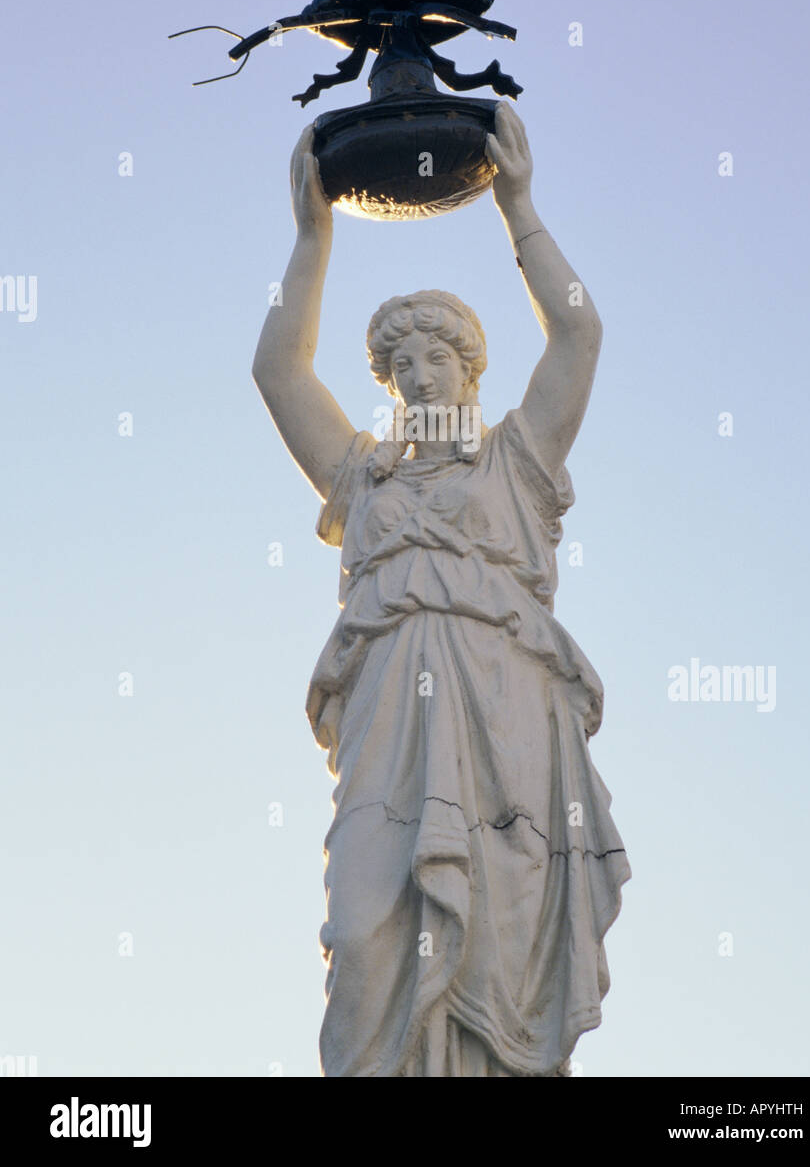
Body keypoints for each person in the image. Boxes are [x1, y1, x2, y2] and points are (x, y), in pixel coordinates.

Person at [252, 103, 631, 1077]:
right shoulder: (364, 474)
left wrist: (519, 206)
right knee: (361, 928)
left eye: (438, 356)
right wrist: (312, 238)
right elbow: (276, 369)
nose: (419, 373)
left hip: (501, 713)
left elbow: (579, 333)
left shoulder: (514, 462)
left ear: (470, 368)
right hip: (385, 718)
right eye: (401, 361)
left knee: (496, 947)